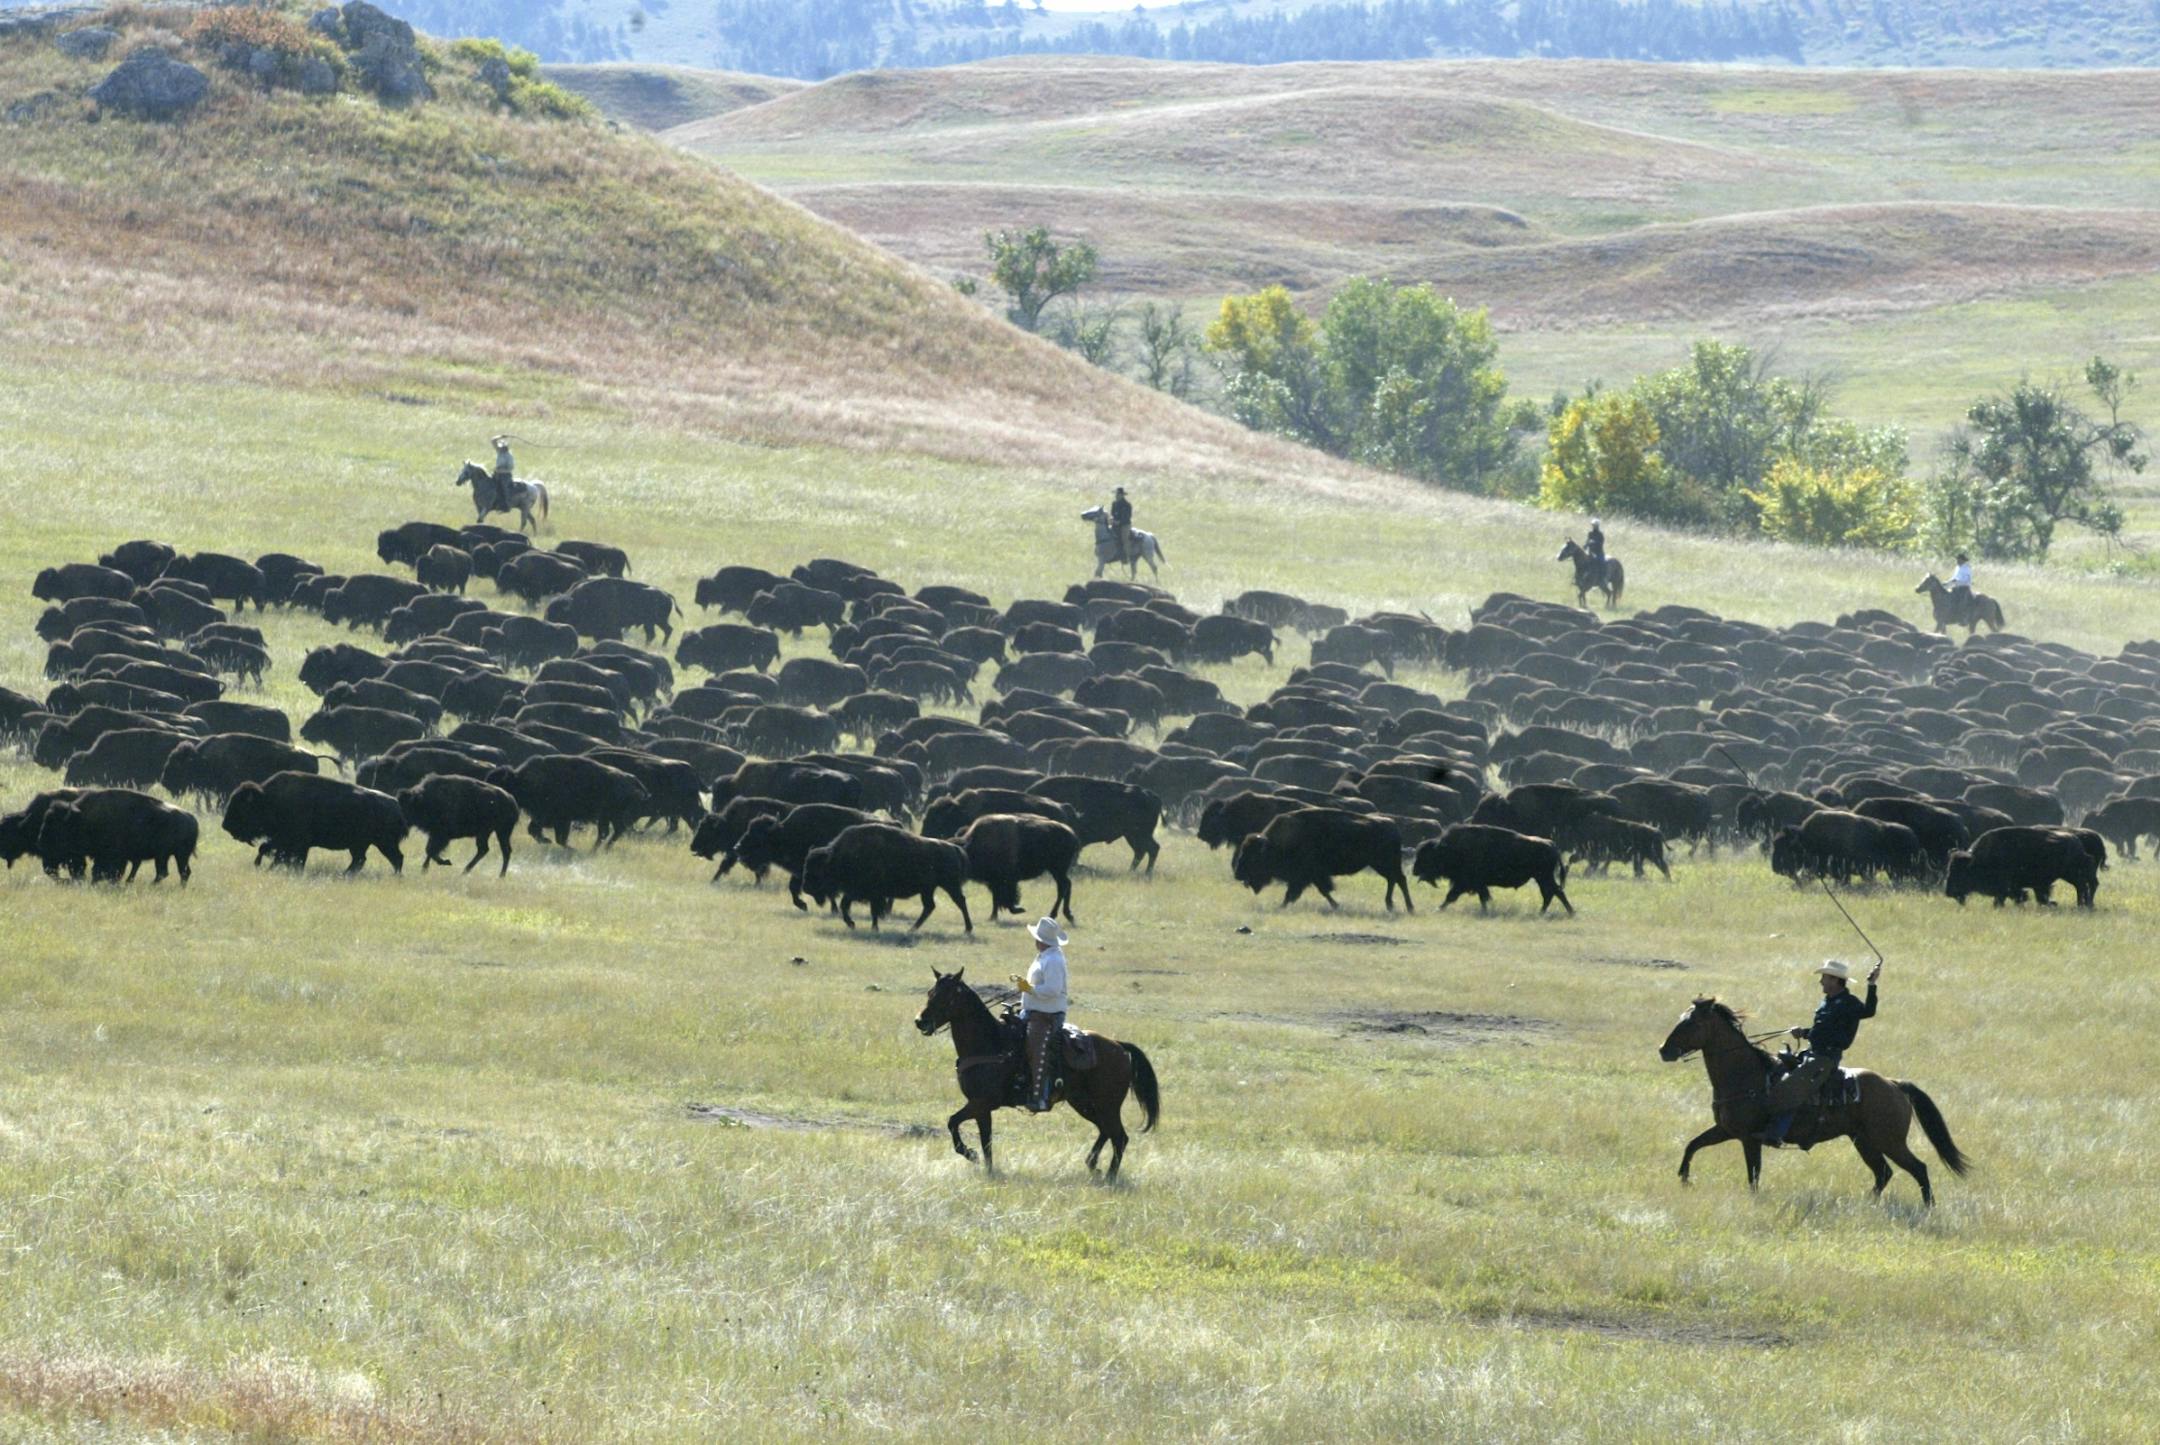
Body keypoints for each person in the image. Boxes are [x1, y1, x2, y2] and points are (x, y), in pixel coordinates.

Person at [1762, 958, 1882, 1145]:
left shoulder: (1849, 1003)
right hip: (1812, 1053)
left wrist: (1871, 984)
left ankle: (1776, 1133)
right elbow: (1822, 1031)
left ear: (1835, 980)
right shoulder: (1827, 1001)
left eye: (1824, 978)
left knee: (1792, 1088)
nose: (1821, 981)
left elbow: (1869, 1011)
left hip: (1826, 1058)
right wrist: (1804, 1032)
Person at [1010, 916, 1069, 1113]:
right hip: (1034, 1011)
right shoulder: (1044, 956)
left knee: (1036, 1049)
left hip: (1047, 1016)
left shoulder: (1053, 960)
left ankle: (1040, 1097)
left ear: (1041, 940)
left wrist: (1030, 989)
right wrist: (1026, 989)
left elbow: (1053, 989)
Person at [489, 434, 516, 514]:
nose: (500, 448)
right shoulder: (499, 452)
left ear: (505, 448)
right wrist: (501, 436)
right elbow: (493, 440)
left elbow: (510, 469)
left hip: (505, 476)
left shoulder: (509, 456)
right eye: (500, 447)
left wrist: (500, 471)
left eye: (502, 447)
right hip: (497, 474)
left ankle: (507, 506)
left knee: (505, 489)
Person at [1109, 486, 1134, 566]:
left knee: (1124, 539)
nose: (1116, 496)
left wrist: (1118, 522)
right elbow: (1112, 514)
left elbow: (1127, 517)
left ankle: (1126, 557)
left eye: (1118, 494)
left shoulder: (1127, 505)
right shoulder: (1114, 504)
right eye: (1116, 494)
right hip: (1115, 524)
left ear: (1122, 495)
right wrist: (1111, 520)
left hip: (1125, 525)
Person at [1948, 553, 1973, 618]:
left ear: (1962, 560)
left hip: (1964, 588)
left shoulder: (1967, 568)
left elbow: (1966, 580)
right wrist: (1947, 582)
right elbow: (1953, 577)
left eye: (1958, 560)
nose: (1957, 561)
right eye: (1957, 560)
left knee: (1960, 602)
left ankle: (1963, 617)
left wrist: (1957, 581)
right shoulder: (1957, 568)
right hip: (1956, 588)